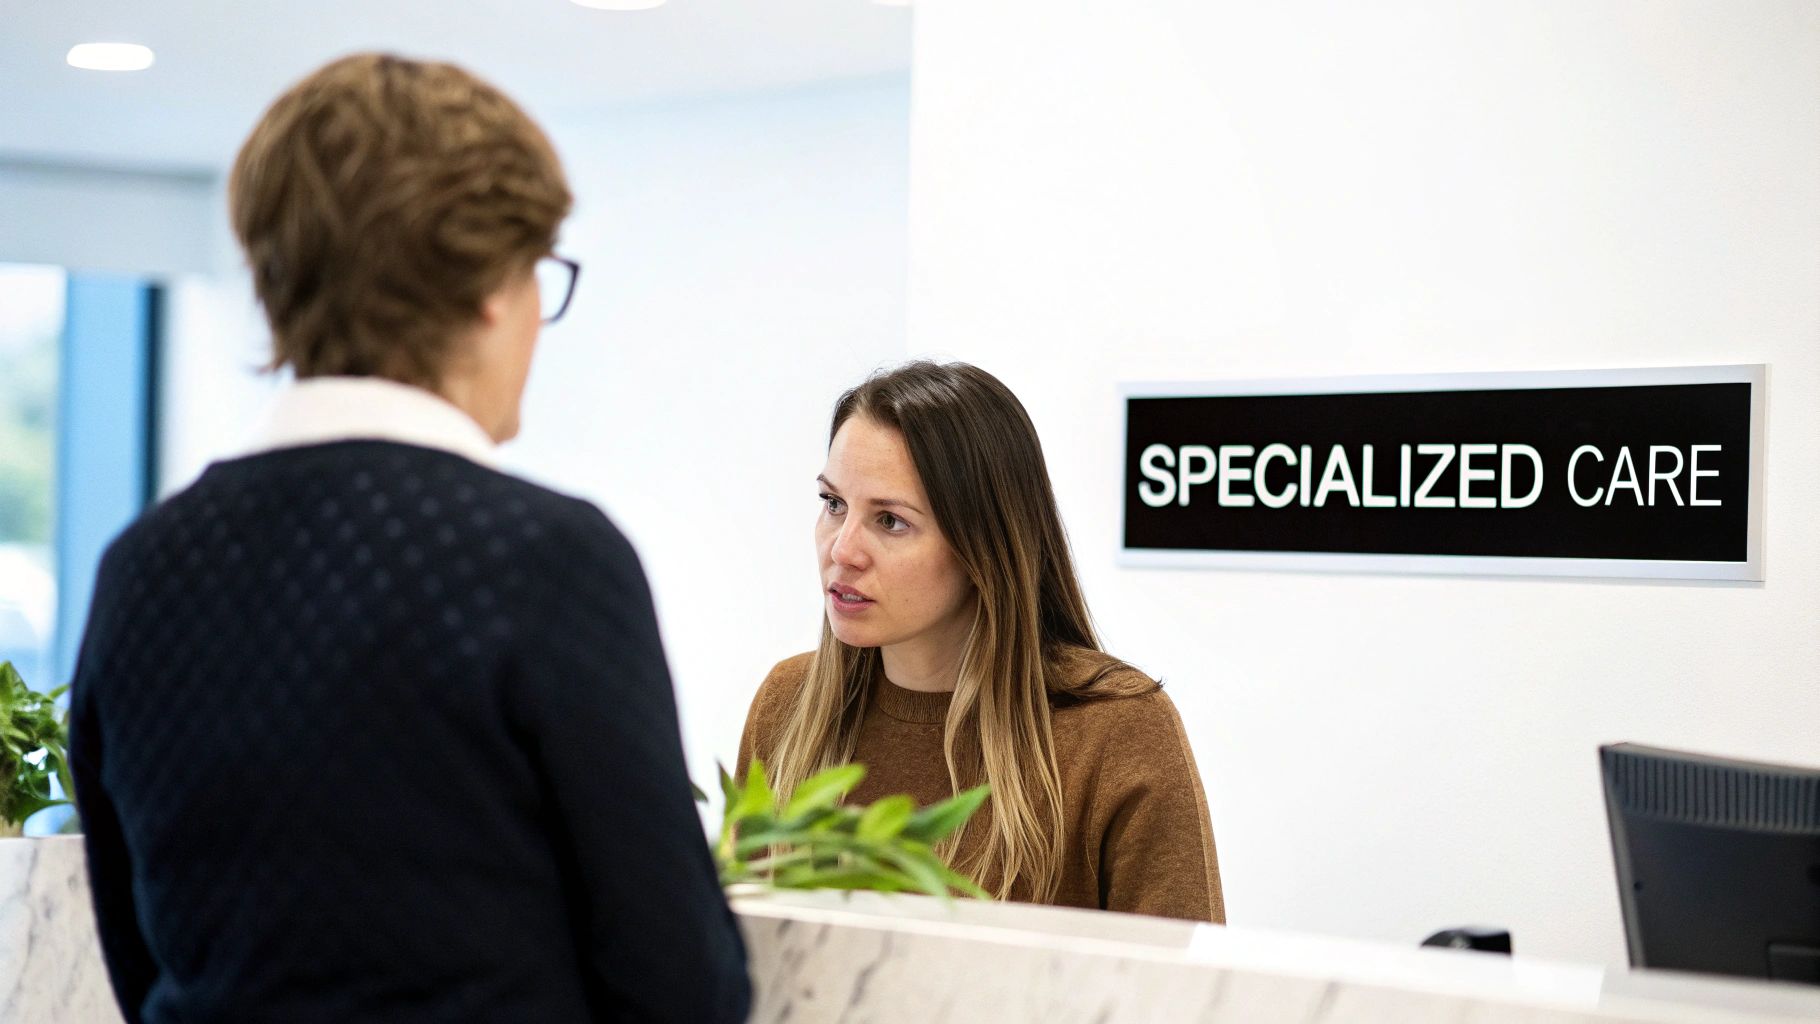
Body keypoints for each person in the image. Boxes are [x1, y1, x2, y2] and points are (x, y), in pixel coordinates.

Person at [68, 53, 749, 1023]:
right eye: (535, 276)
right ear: (485, 288)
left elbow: (142, 964)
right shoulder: (546, 560)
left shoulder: (140, 570)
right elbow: (680, 982)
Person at [739, 361, 1223, 920]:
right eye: (833, 504)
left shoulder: (1116, 731)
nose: (842, 550)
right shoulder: (787, 703)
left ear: (981, 547)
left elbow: (1184, 996)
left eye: (891, 521)